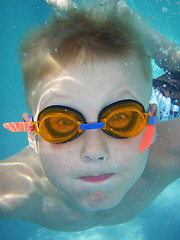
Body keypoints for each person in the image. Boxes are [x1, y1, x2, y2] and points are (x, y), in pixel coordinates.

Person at [0, 0, 179, 232]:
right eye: (62, 123)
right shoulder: (15, 190)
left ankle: (150, 40)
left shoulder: (171, 153)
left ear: (149, 126)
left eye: (121, 119)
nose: (94, 152)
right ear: (32, 135)